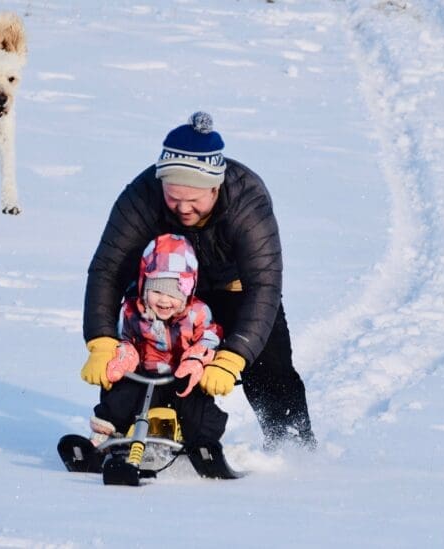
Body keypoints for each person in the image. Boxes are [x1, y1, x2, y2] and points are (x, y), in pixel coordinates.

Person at [81, 111, 316, 451]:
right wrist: (101, 341)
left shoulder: (246, 202)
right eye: (173, 198)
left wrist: (233, 355)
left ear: (216, 187)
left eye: (193, 200)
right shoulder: (142, 196)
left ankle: (290, 443)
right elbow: (108, 268)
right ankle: (130, 428)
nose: (182, 208)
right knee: (139, 347)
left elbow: (263, 286)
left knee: (268, 363)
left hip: (233, 290)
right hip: (166, 290)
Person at [86, 233, 228, 451]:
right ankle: (106, 435)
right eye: (157, 291)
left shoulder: (198, 313)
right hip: (145, 377)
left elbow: (210, 337)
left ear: (187, 292)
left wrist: (196, 357)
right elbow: (122, 337)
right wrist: (125, 353)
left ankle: (203, 444)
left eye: (173, 294)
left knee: (198, 411)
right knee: (122, 396)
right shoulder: (132, 311)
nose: (164, 300)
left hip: (181, 378)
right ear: (144, 285)